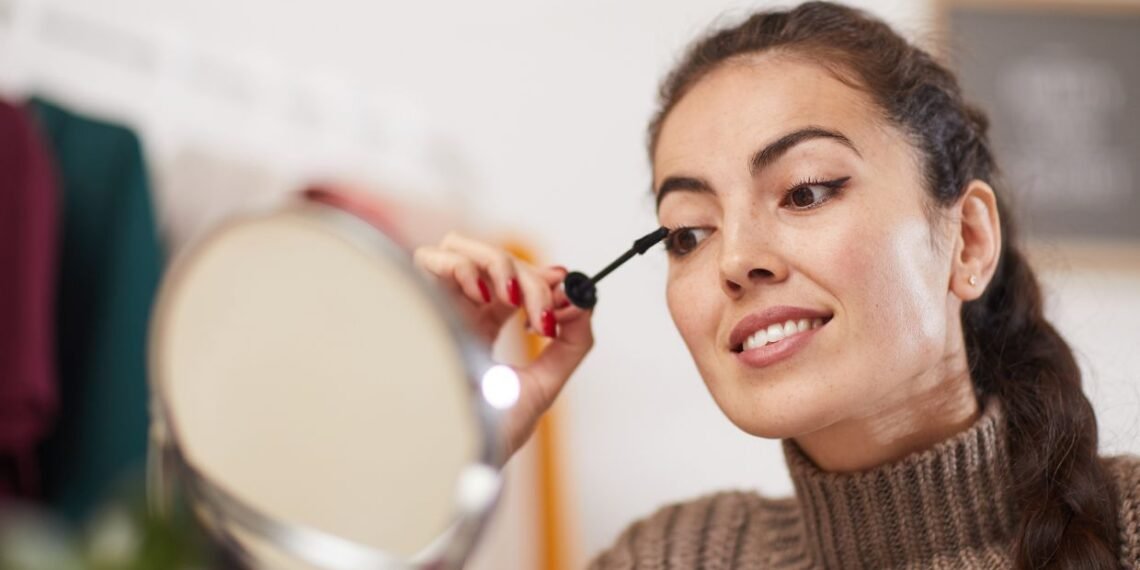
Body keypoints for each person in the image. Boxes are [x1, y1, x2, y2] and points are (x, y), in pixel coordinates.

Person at [413, 2, 1140, 568]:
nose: (734, 261)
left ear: (969, 239)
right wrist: (444, 448)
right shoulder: (672, 559)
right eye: (688, 234)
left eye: (806, 191)